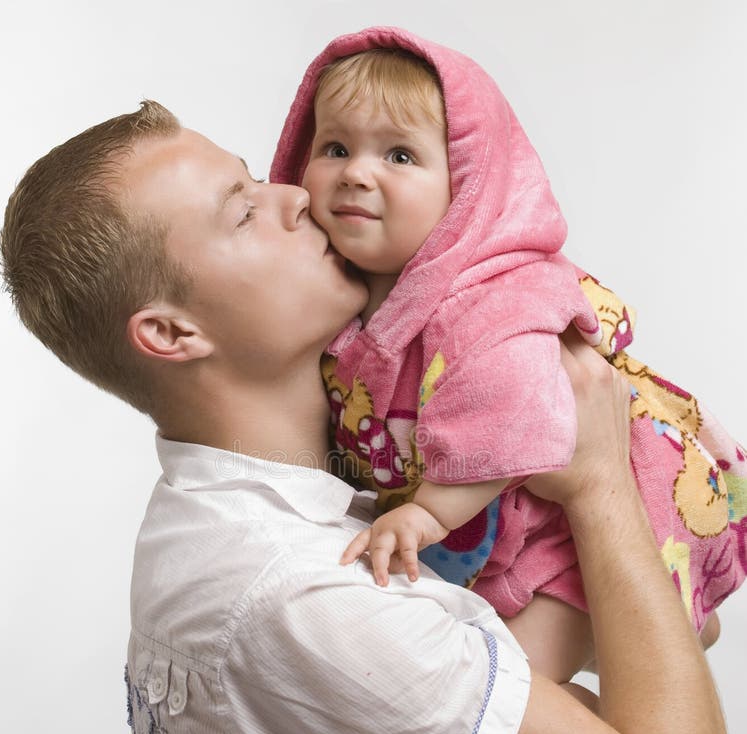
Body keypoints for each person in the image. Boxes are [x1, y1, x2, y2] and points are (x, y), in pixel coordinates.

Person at [0, 101, 745, 734]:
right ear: (173, 335)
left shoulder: (308, 509)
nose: (293, 195)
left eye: (257, 176)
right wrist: (597, 482)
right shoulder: (298, 596)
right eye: (244, 210)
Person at [270, 27, 747, 683]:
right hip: (488, 519)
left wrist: (427, 512)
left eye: (400, 156)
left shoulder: (494, 301)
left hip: (567, 532)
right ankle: (678, 621)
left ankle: (670, 615)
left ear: (467, 187)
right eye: (335, 147)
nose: (356, 171)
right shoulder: (341, 296)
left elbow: (511, 411)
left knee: (511, 688)